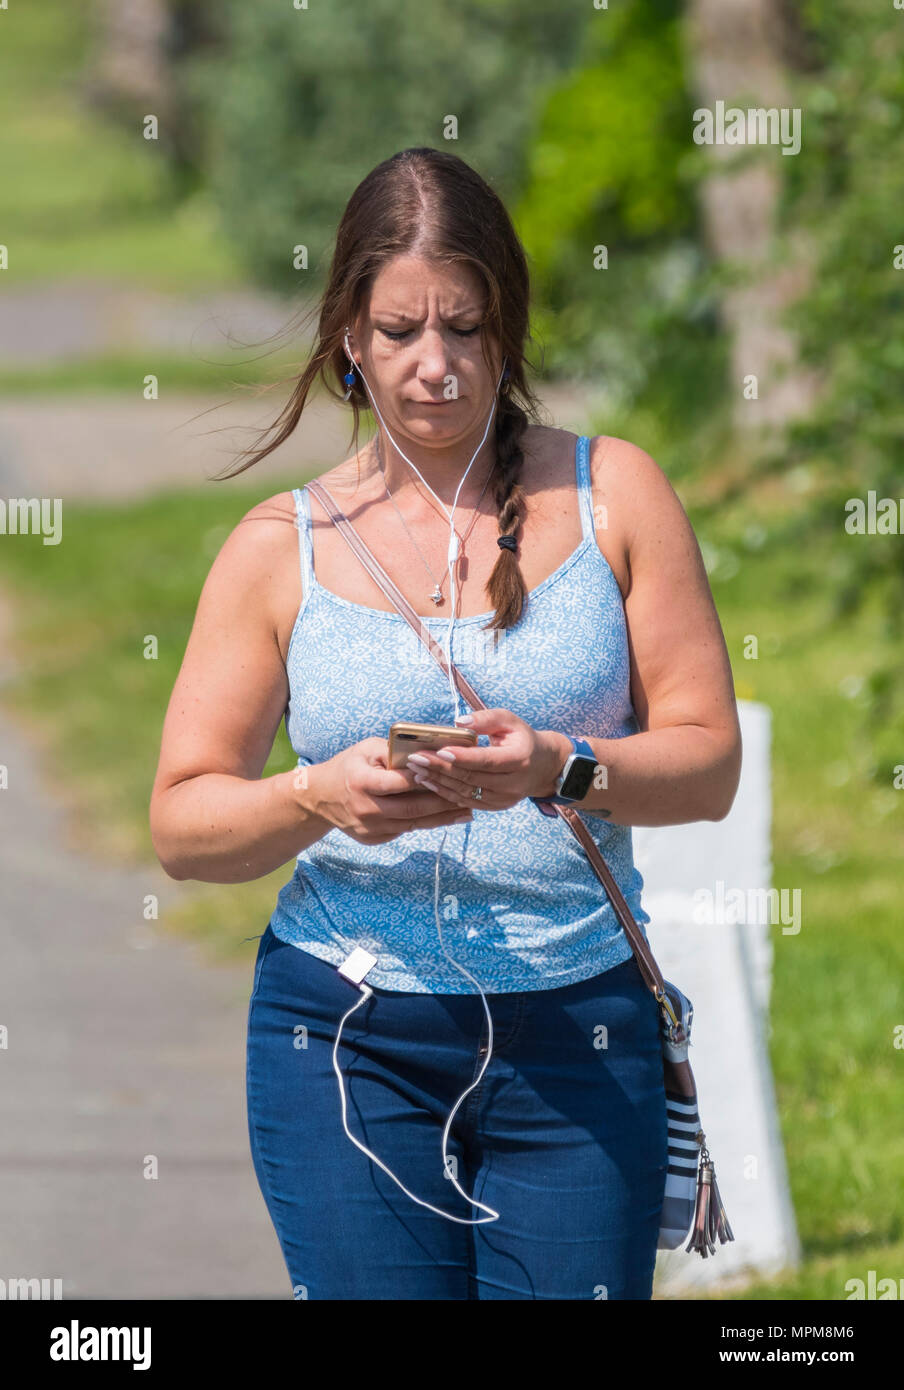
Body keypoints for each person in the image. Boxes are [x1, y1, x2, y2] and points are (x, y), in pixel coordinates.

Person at [149, 147, 742, 1300]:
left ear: (506, 328)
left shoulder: (617, 494)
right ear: (348, 346)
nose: (433, 366)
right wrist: (310, 796)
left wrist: (558, 768)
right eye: (399, 331)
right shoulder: (281, 549)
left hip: (583, 1037)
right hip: (346, 1037)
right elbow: (182, 823)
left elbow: (706, 763)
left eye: (463, 328)